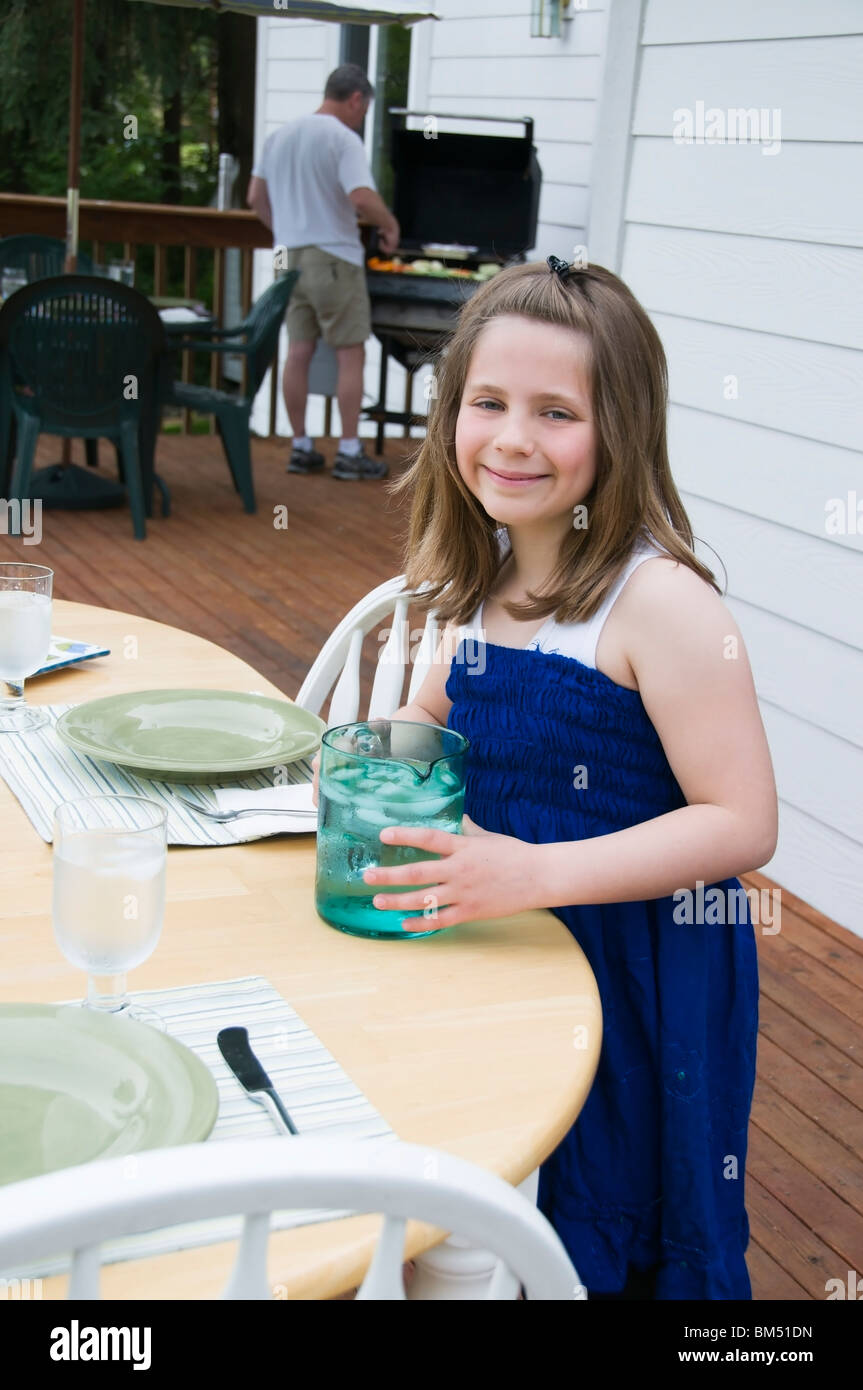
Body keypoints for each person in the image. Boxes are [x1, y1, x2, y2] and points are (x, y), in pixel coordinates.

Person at [314, 256, 777, 1299]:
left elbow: (743, 820)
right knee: (505, 1193)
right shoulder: (493, 580)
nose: (513, 438)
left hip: (636, 967)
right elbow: (421, 718)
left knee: (609, 1200)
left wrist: (530, 871)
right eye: (487, 402)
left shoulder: (658, 603)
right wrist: (355, 777)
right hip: (512, 946)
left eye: (555, 412)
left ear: (620, 430)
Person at [247, 63, 399, 481]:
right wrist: (389, 224)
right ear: (355, 99)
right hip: (333, 257)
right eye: (363, 110)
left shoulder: (279, 136)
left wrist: (285, 228)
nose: (361, 118)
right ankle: (349, 452)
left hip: (289, 258)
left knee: (298, 351)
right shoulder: (342, 139)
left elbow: (255, 197)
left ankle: (301, 447)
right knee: (351, 352)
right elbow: (362, 197)